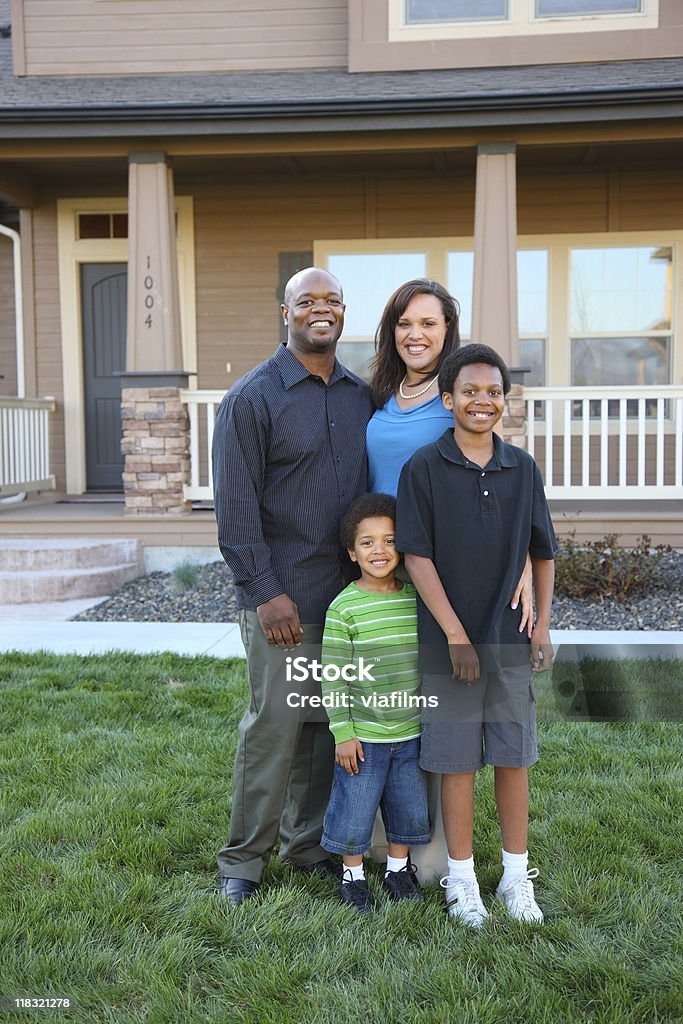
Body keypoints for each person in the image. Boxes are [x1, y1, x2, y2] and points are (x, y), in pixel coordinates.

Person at [211, 267, 373, 904]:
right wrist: (262, 588)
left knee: (324, 729)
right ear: (286, 312)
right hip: (284, 597)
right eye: (308, 301)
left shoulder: (360, 396)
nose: (321, 310)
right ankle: (243, 863)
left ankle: (307, 846)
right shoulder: (252, 398)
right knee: (274, 727)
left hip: (345, 601)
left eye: (333, 300)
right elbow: (236, 504)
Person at [365, 279, 533, 879]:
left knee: (443, 711)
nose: (416, 334)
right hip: (385, 568)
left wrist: (525, 573)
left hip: (445, 577)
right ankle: (385, 843)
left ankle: (436, 854)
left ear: (447, 332)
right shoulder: (377, 396)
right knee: (388, 711)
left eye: (429, 324)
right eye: (405, 323)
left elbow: (503, 498)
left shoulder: (460, 395)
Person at [396, 344, 557, 927]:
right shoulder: (424, 469)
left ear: (504, 402)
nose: (482, 401)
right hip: (449, 648)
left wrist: (541, 623)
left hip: (510, 642)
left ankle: (517, 876)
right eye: (469, 391)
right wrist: (455, 634)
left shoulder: (522, 469)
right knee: (457, 762)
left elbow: (542, 552)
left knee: (514, 759)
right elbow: (415, 555)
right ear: (448, 399)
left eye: (493, 392)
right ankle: (462, 880)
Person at [319, 492, 431, 914]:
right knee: (355, 809)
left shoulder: (416, 599)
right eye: (367, 542)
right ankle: (353, 875)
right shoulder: (345, 608)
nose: (379, 550)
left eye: (389, 540)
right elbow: (334, 676)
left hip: (411, 731)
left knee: (407, 806)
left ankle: (397, 870)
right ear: (352, 552)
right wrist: (343, 733)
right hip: (363, 735)